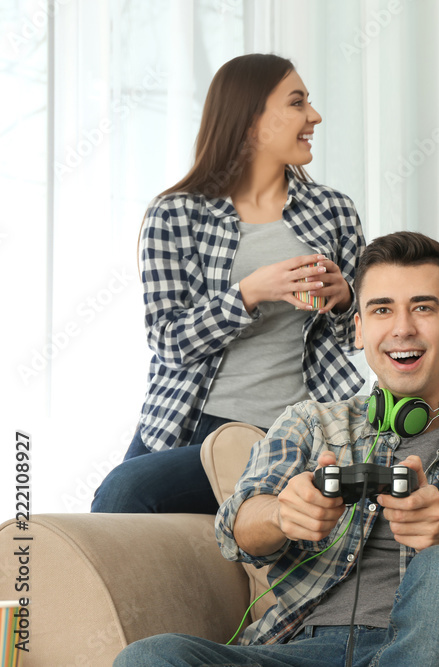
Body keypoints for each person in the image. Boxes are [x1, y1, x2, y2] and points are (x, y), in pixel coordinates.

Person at [113, 231, 439, 667]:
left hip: (434, 645)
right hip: (298, 647)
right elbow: (236, 530)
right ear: (361, 330)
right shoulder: (309, 423)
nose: (403, 329)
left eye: (423, 308)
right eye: (382, 310)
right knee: (150, 657)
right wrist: (281, 514)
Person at [92, 54, 367, 514]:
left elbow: (361, 334)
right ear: (251, 121)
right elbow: (168, 340)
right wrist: (249, 293)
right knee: (119, 499)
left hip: (291, 431)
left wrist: (345, 301)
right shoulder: (176, 214)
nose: (314, 116)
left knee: (128, 494)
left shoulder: (334, 211)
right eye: (297, 103)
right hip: (190, 423)